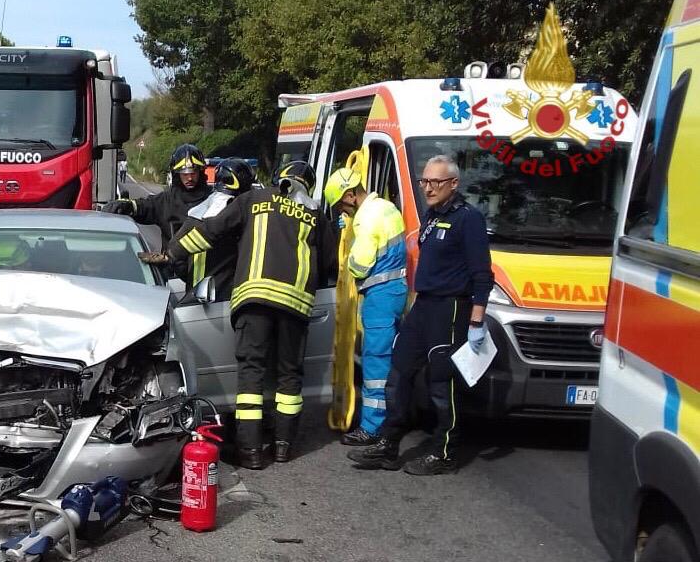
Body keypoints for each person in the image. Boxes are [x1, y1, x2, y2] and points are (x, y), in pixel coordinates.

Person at [145, 161, 336, 469]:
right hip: (296, 306)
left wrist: (172, 253)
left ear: (277, 179)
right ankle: (284, 448)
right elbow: (330, 265)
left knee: (251, 374)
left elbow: (211, 231)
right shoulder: (316, 215)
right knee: (289, 376)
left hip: (254, 301)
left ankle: (251, 452)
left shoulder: (255, 201)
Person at [348, 155, 493, 475]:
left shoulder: (468, 219)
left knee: (442, 384)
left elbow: (482, 274)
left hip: (451, 308)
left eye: (435, 182)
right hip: (424, 305)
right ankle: (388, 444)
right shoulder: (432, 215)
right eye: (424, 181)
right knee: (398, 374)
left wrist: (476, 320)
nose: (428, 188)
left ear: (453, 184)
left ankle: (444, 452)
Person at [323, 167, 408, 446]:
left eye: (341, 207)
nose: (343, 213)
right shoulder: (386, 207)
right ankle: (386, 420)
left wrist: (347, 247)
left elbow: (359, 266)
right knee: (388, 360)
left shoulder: (364, 220)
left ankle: (372, 428)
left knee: (375, 363)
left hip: (380, 295)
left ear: (349, 196)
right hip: (396, 292)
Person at [173, 157, 256, 300]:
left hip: (195, 295)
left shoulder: (199, 210)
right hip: (222, 299)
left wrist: (189, 277)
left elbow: (176, 255)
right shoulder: (242, 216)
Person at [102, 144, 211, 246]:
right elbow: (145, 206)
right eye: (185, 174)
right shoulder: (167, 201)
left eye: (193, 173)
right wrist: (127, 206)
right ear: (176, 175)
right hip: (171, 265)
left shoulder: (214, 201)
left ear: (200, 172)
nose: (190, 178)